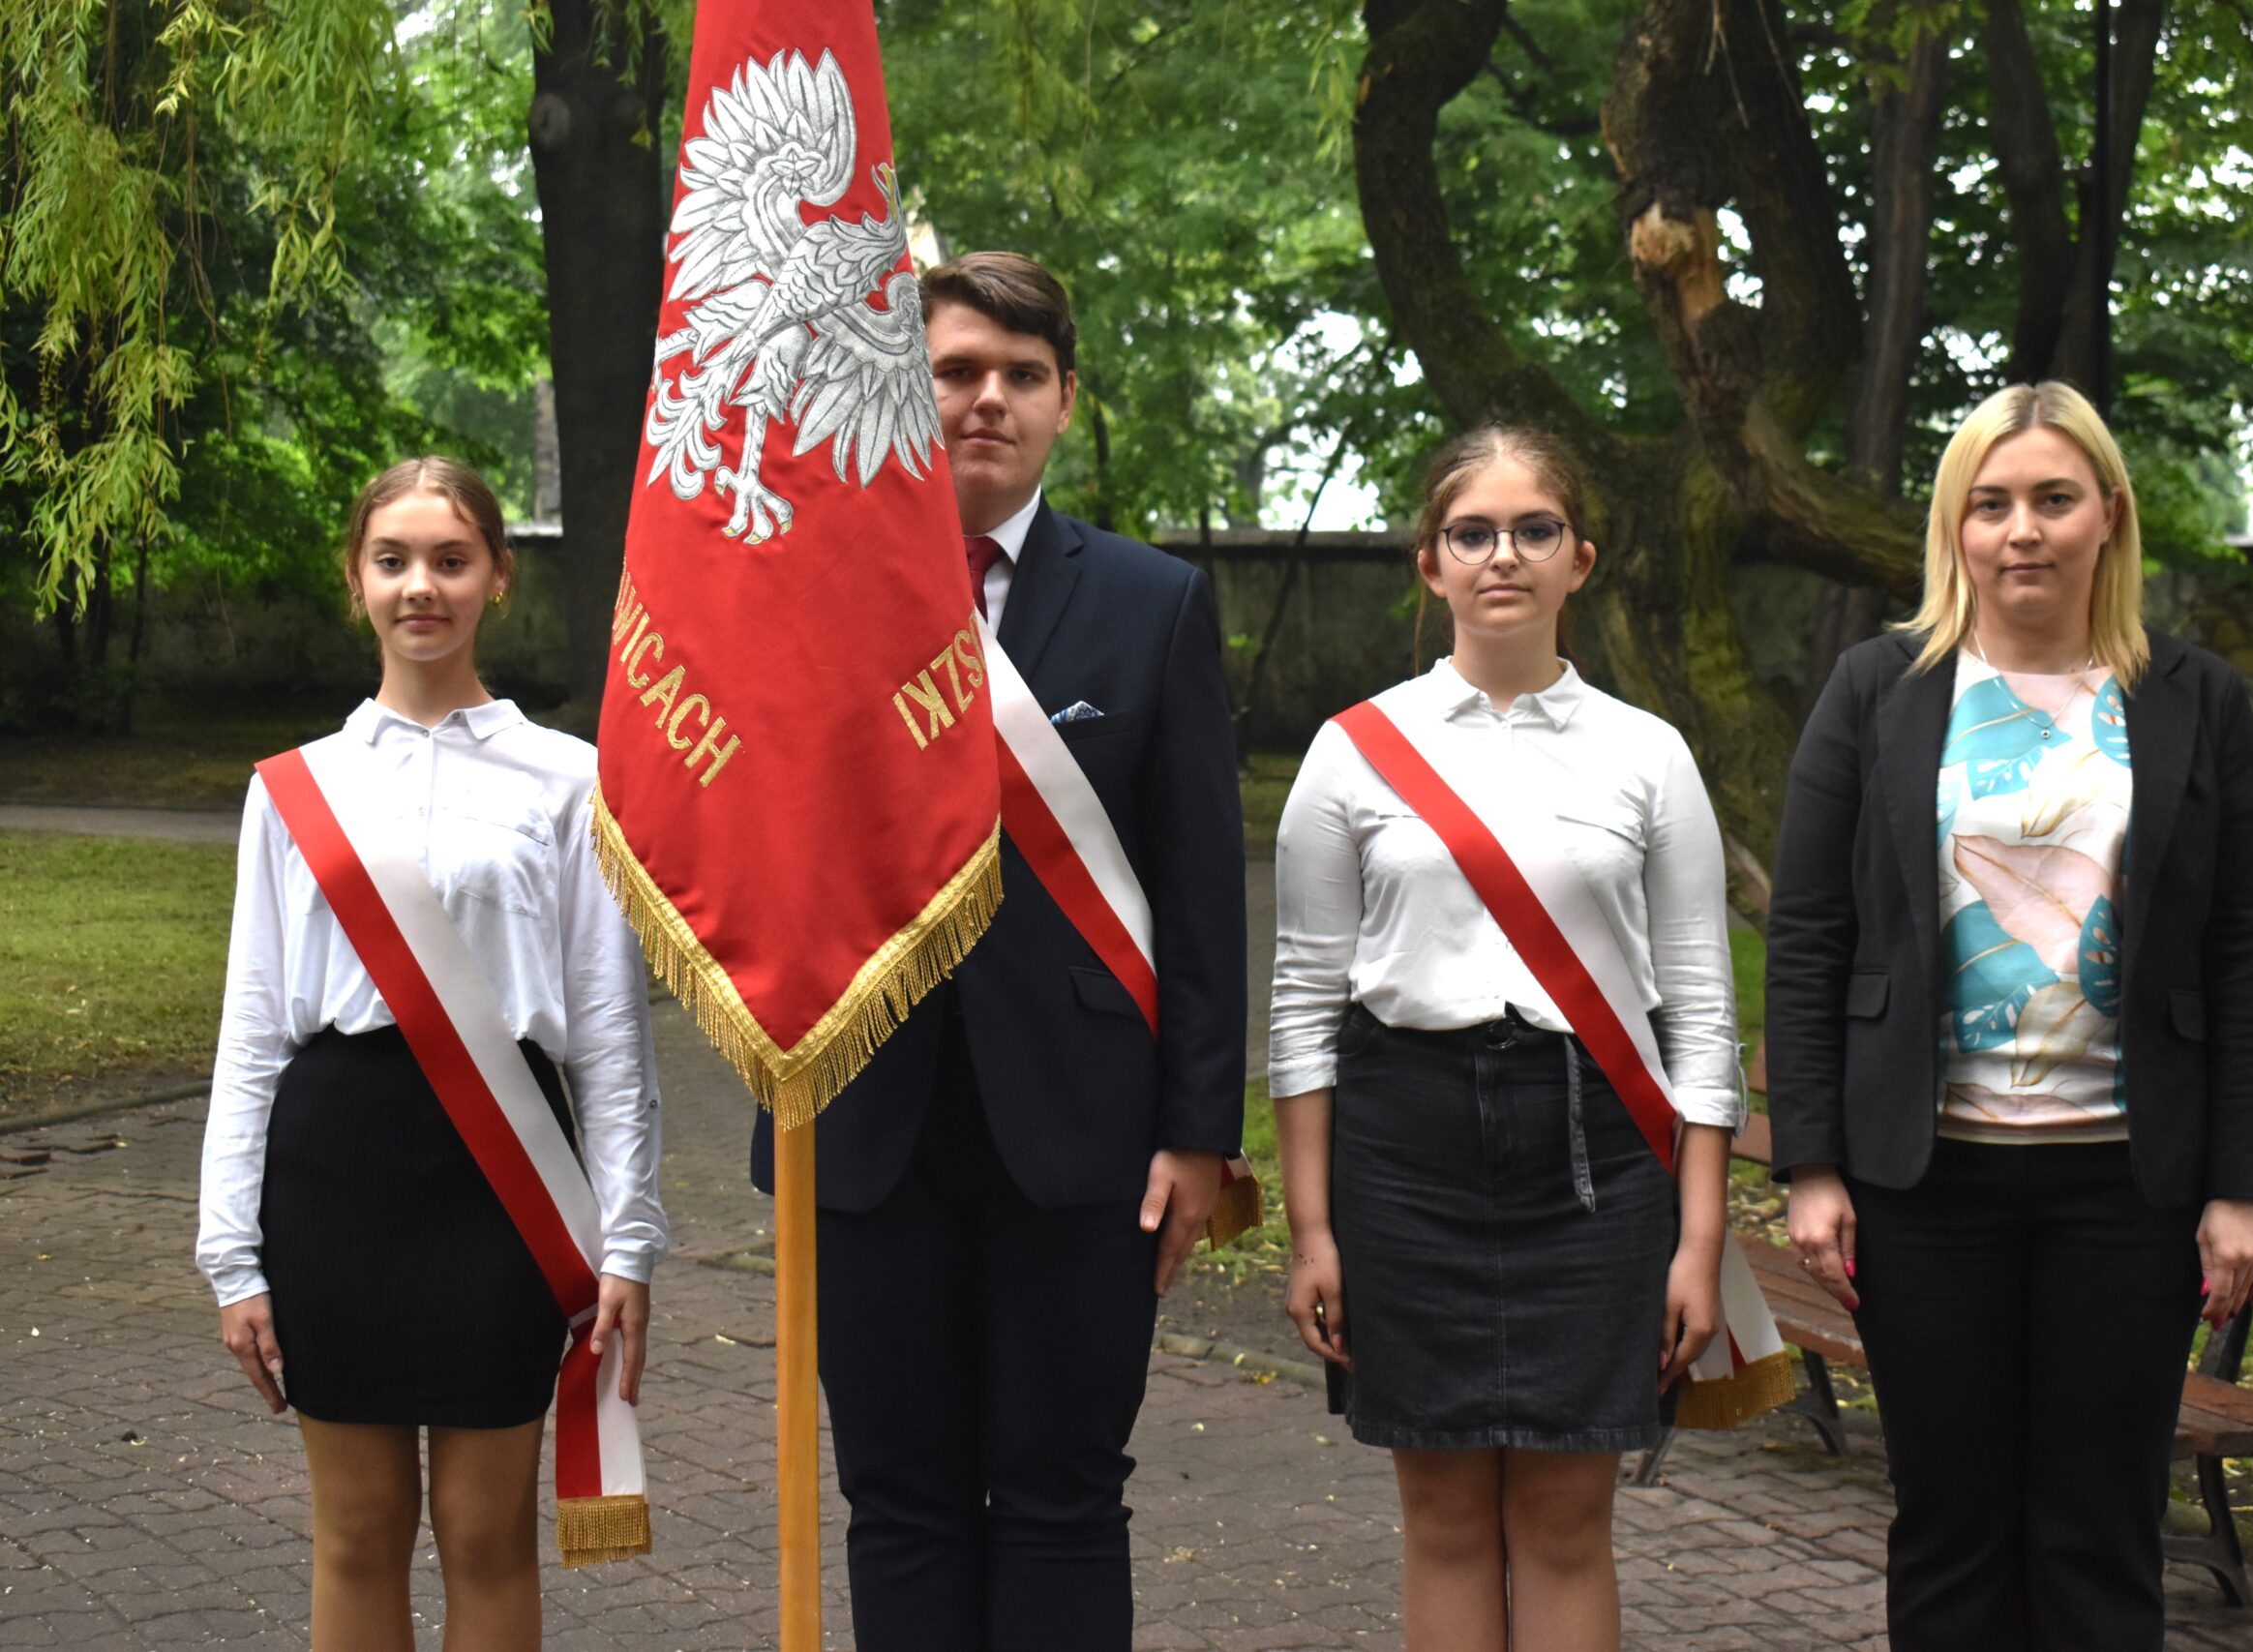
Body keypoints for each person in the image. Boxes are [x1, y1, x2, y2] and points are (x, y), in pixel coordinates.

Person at [751, 251, 1247, 1648]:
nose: (987, 400)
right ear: (907, 392)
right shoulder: (809, 595)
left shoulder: (1153, 601)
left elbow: (1203, 893)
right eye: (956, 371)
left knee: (1064, 1496)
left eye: (1022, 376)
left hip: (1086, 1130)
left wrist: (1198, 1132)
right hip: (859, 1117)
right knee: (898, 1499)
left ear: (1065, 401)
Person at [1764, 381, 2253, 1650]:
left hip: (2129, 1188)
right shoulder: (1879, 687)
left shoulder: (2195, 699)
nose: (2022, 530)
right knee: (1950, 1524)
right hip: (1925, 1185)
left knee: (2099, 1531)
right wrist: (1812, 1164)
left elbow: (2240, 954)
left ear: (2108, 514)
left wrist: (2241, 1186)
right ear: (1956, 526)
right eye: (1989, 503)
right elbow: (1812, 933)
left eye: (2053, 499)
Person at [1267, 426, 1742, 1652]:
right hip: (1403, 1154)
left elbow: (1700, 1016)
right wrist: (1313, 1231)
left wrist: (1698, 1241)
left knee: (1566, 1517)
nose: (1502, 556)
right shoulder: (1351, 751)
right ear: (1430, 564)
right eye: (1471, 533)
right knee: (1441, 1518)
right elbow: (1305, 1007)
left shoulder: (1648, 754)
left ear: (1579, 558)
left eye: (1534, 530)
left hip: (1596, 1160)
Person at [195, 457, 668, 1652]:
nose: (422, 587)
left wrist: (628, 1237)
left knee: (486, 1531)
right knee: (357, 1532)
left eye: (451, 561)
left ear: (497, 577)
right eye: (393, 560)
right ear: (356, 579)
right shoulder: (292, 789)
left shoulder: (570, 778)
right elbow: (251, 1029)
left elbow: (608, 1030)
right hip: (333, 1172)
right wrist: (230, 1256)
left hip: (504, 1178)